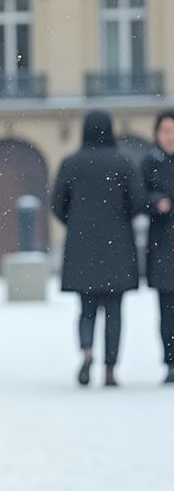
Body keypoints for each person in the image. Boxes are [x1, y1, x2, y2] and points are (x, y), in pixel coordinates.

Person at [51, 109, 143, 387]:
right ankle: (111, 369)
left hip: (82, 247)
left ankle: (88, 351)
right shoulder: (123, 163)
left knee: (86, 308)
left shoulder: (71, 163)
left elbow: (57, 204)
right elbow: (138, 202)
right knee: (114, 310)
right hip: (118, 247)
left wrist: (77, 222)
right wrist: (118, 219)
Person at [144, 108, 174, 384]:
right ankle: (171, 362)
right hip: (164, 248)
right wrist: (155, 202)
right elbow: (139, 196)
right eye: (165, 131)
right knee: (167, 313)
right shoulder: (150, 163)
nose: (170, 137)